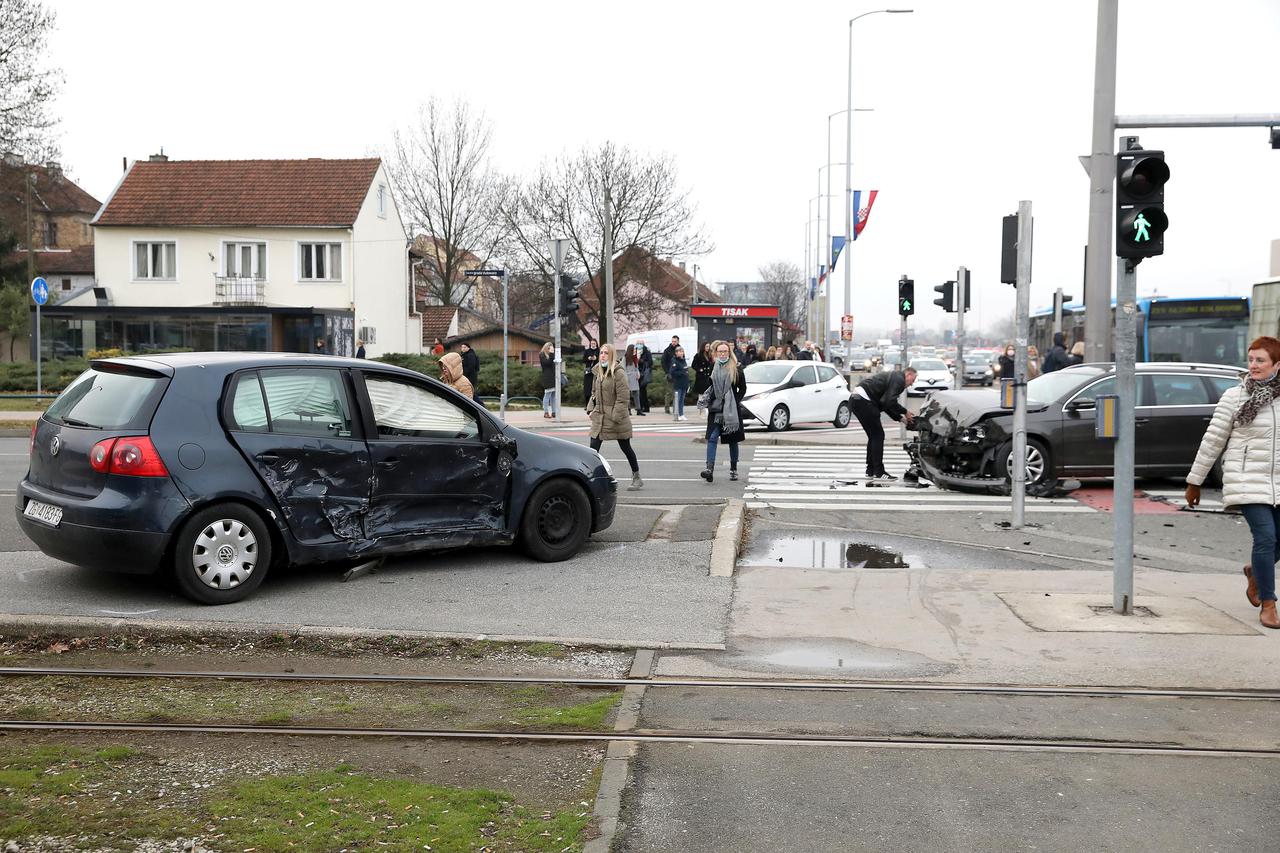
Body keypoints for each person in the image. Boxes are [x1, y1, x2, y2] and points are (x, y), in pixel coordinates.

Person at [1186, 336, 1280, 629]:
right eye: (1251, 359)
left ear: (1277, 364)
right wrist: (1195, 481)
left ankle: (1255, 574)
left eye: (1260, 360)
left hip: (1278, 479)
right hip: (1246, 479)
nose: (1253, 365)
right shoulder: (1234, 397)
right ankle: (1268, 603)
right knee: (1265, 537)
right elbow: (1213, 440)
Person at [588, 343, 643, 491]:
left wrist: (615, 416)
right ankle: (591, 479)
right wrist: (590, 410)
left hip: (616, 418)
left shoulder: (618, 373)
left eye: (606, 353)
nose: (603, 355)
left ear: (611, 355)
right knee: (592, 450)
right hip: (600, 417)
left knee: (626, 447)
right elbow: (594, 393)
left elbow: (623, 398)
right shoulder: (598, 372)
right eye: (601, 353)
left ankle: (636, 476)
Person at [849, 367, 916, 481]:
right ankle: (879, 472)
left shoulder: (894, 377)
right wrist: (905, 412)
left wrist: (901, 419)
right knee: (878, 435)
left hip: (856, 400)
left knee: (874, 436)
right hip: (864, 401)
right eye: (913, 380)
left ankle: (870, 470)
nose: (911, 384)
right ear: (908, 374)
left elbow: (885, 404)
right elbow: (889, 402)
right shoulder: (899, 379)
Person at [700, 340, 747, 483]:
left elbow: (743, 388)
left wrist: (735, 401)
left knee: (733, 440)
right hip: (716, 408)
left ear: (729, 352)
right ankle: (709, 469)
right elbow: (708, 387)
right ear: (716, 353)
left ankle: (733, 469)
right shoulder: (712, 368)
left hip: (731, 410)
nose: (722, 353)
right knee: (712, 437)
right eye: (719, 351)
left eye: (725, 351)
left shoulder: (736, 368)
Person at [670, 345, 690, 421]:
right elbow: (672, 372)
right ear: (676, 353)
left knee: (682, 400)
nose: (681, 353)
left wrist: (688, 382)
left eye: (682, 351)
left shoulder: (683, 360)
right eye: (679, 352)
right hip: (678, 383)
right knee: (677, 400)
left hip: (684, 383)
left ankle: (681, 414)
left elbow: (686, 371)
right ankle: (676, 414)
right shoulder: (674, 361)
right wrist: (682, 372)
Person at [691, 342, 714, 410]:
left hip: (708, 377)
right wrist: (699, 369)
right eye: (706, 346)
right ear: (703, 347)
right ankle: (701, 409)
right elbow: (693, 365)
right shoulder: (698, 355)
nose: (708, 348)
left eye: (708, 346)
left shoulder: (710, 355)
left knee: (708, 393)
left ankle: (706, 408)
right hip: (701, 377)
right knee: (701, 394)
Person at [661, 335, 680, 413]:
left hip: (678, 374)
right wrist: (667, 372)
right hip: (670, 373)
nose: (673, 343)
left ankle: (676, 407)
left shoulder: (680, 349)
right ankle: (667, 407)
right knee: (669, 392)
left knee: (677, 392)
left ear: (678, 341)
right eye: (672, 341)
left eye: (675, 341)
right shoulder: (667, 350)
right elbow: (663, 362)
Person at [539, 342, 557, 419]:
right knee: (547, 395)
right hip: (547, 377)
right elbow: (547, 363)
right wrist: (552, 354)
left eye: (552, 348)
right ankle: (546, 412)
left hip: (554, 376)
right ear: (546, 348)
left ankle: (554, 412)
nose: (551, 349)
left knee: (553, 396)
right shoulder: (542, 354)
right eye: (549, 348)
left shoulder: (552, 355)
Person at [624, 344, 643, 415]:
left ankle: (638, 409)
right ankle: (628, 409)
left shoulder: (635, 358)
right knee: (627, 395)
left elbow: (636, 367)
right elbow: (623, 369)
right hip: (628, 378)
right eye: (634, 349)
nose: (635, 351)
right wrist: (625, 378)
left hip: (634, 378)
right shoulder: (625, 358)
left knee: (636, 394)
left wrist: (638, 373)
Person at [582, 337, 600, 410]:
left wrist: (596, 359)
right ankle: (587, 405)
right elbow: (583, 360)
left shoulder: (599, 351)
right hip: (588, 371)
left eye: (594, 343)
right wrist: (588, 358)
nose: (593, 345)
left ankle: (596, 404)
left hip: (596, 371)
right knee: (587, 388)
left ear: (596, 344)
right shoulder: (587, 351)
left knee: (596, 387)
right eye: (591, 343)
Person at [637, 341, 653, 414]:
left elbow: (650, 362)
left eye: (640, 344)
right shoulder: (636, 351)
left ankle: (645, 407)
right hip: (637, 373)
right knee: (639, 390)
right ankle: (641, 406)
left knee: (643, 390)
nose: (639, 345)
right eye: (638, 343)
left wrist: (641, 361)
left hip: (643, 373)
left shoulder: (647, 352)